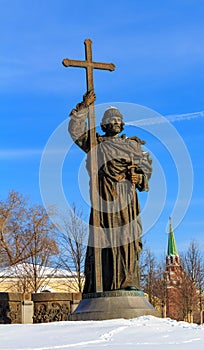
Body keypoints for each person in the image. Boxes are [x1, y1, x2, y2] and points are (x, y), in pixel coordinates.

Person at [68, 91, 152, 293]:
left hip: (127, 201)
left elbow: (147, 169)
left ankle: (128, 280)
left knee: (128, 238)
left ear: (122, 124)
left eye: (118, 119)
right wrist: (83, 108)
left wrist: (139, 178)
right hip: (105, 199)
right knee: (104, 241)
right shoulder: (96, 144)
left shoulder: (133, 146)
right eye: (110, 119)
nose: (114, 122)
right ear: (103, 124)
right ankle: (103, 284)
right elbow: (76, 132)